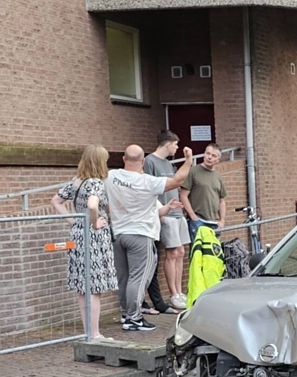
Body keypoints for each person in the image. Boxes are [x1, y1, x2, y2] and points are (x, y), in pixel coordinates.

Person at [106, 145, 192, 332]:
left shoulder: (111, 176)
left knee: (124, 278)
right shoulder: (147, 182)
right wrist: (188, 160)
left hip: (118, 234)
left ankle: (125, 314)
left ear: (123, 159)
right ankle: (134, 318)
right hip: (141, 235)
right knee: (137, 279)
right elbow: (177, 180)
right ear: (143, 161)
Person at [50, 145, 118, 340]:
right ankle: (95, 333)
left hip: (78, 234)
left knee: (83, 287)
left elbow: (55, 201)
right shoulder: (96, 183)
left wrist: (74, 221)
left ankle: (88, 331)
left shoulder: (76, 182)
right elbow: (92, 205)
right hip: (94, 238)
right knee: (94, 287)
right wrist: (94, 222)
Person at [144, 130, 189, 311]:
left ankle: (179, 292)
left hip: (176, 213)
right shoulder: (150, 161)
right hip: (165, 213)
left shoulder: (168, 164)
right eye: (175, 144)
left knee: (180, 252)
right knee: (172, 253)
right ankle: (173, 294)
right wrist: (159, 212)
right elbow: (148, 188)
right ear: (168, 143)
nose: (177, 148)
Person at [180, 143, 226, 242]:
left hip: (214, 223)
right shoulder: (193, 171)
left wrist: (222, 220)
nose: (209, 157)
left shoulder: (218, 176)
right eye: (208, 153)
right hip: (198, 221)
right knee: (197, 253)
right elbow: (183, 196)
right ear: (204, 154)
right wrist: (193, 216)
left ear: (218, 160)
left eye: (214, 156)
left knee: (213, 255)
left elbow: (221, 201)